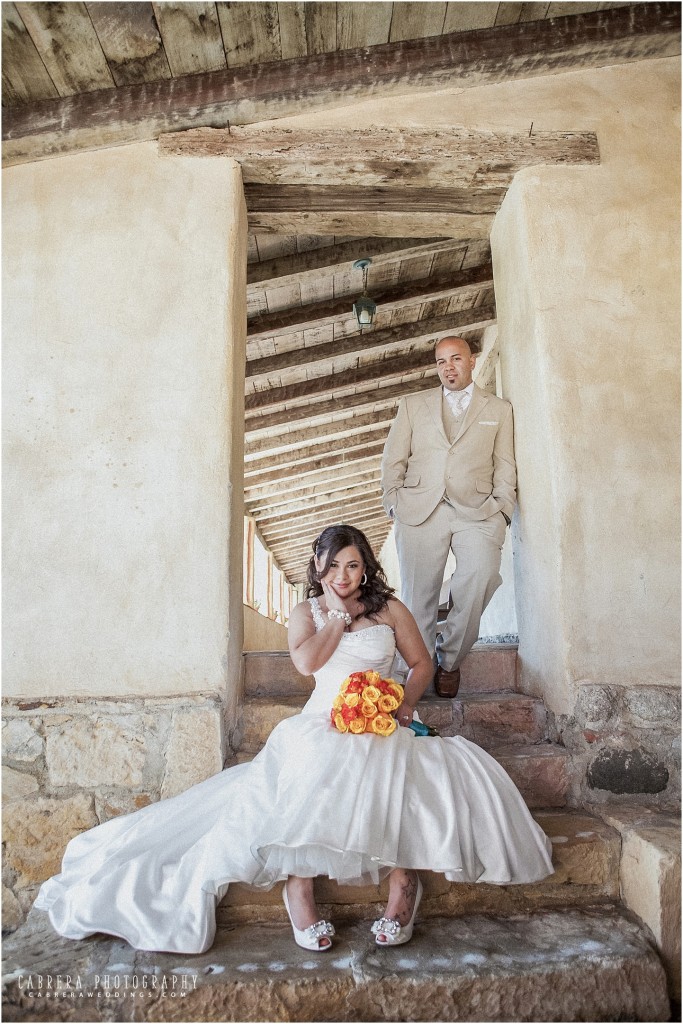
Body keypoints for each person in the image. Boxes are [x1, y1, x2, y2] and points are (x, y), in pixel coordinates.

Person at [35, 524, 552, 955]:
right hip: (322, 719)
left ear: (366, 568)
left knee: (403, 772)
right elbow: (307, 664)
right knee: (313, 773)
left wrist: (402, 703)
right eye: (334, 565)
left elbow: (419, 664)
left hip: (382, 719)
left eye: (353, 566)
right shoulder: (307, 614)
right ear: (318, 566)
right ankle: (298, 887)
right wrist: (339, 618)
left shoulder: (390, 609)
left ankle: (403, 883)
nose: (343, 575)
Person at [381, 336, 516, 698]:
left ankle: (451, 659)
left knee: (481, 576)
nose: (448, 367)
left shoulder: (499, 409)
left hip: (479, 510)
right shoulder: (413, 405)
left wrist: (503, 508)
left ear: (472, 361)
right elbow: (393, 458)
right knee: (418, 597)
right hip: (419, 508)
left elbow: (504, 463)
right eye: (441, 361)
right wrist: (393, 501)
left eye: (455, 359)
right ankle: (418, 670)